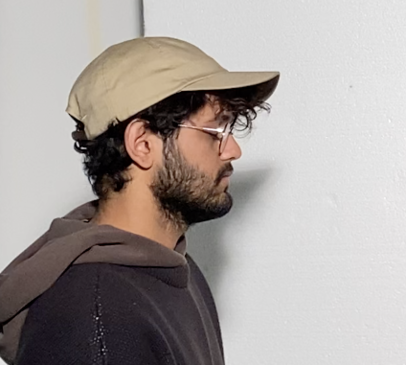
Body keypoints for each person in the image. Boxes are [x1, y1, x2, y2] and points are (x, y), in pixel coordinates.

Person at [0, 37, 280, 365]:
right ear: (142, 144)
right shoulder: (92, 313)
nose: (233, 150)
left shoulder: (177, 270)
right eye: (215, 131)